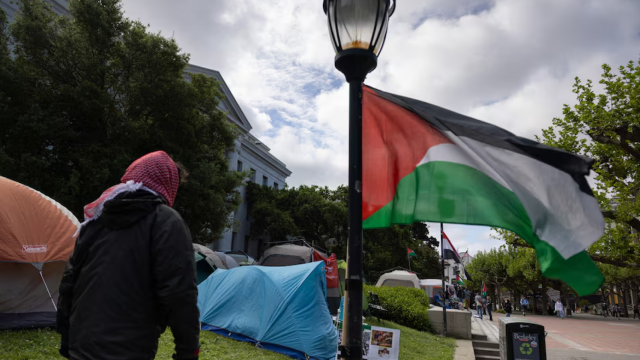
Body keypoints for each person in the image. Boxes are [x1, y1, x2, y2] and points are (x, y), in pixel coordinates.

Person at [56, 151, 200, 360]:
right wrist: (188, 353)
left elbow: (69, 282)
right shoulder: (165, 221)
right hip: (130, 349)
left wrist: (66, 337)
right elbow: (180, 293)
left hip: (82, 346)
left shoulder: (95, 221)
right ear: (168, 184)